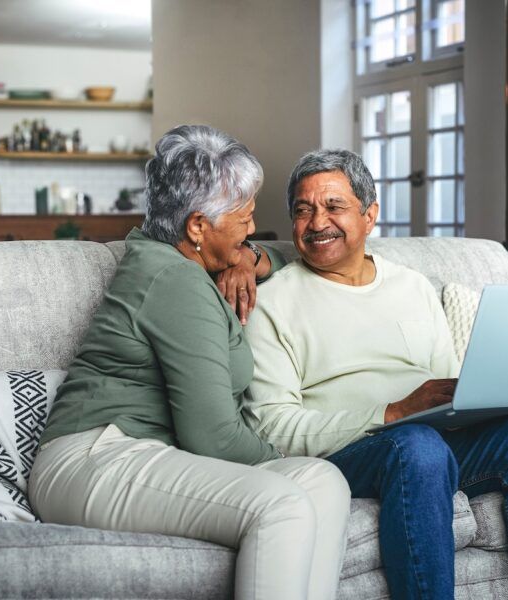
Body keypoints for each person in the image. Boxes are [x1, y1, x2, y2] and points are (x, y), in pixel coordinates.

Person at [243, 149, 508, 600]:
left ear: (370, 216)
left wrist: (496, 398)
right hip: (348, 454)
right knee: (417, 446)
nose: (316, 222)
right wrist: (392, 412)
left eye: (334, 207)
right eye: (303, 210)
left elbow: (447, 392)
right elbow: (272, 427)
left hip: (427, 442)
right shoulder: (271, 303)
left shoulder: (412, 287)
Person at [30, 126, 351, 600]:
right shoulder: (174, 281)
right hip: (93, 457)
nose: (251, 226)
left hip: (142, 452)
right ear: (198, 226)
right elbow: (212, 436)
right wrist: (278, 459)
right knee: (282, 503)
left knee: (322, 480)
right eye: (243, 217)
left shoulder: (182, 258)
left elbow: (286, 256)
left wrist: (250, 258)